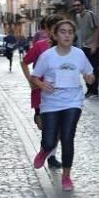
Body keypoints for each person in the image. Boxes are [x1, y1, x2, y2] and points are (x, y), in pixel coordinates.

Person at [29, 19, 95, 192]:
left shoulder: (79, 54)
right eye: (63, 32)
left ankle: (66, 176)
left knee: (67, 137)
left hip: (73, 101)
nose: (67, 35)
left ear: (74, 36)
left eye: (70, 32)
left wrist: (90, 78)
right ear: (55, 35)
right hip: (51, 103)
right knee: (50, 140)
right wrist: (42, 85)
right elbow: (34, 77)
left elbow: (90, 74)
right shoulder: (47, 56)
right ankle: (45, 150)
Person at [21, 15, 62, 170]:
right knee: (44, 126)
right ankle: (47, 148)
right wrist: (30, 81)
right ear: (47, 29)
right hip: (41, 91)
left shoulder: (66, 47)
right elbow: (24, 62)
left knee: (57, 126)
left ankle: (51, 156)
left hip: (59, 93)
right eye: (55, 28)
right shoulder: (39, 46)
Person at [71, 0, 99, 99]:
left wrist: (94, 45)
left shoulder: (90, 15)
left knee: (94, 68)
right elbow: (79, 31)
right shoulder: (78, 16)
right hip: (84, 46)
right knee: (85, 69)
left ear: (83, 5)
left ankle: (95, 91)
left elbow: (97, 30)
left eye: (78, 5)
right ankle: (89, 90)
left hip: (94, 45)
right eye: (75, 6)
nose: (76, 7)